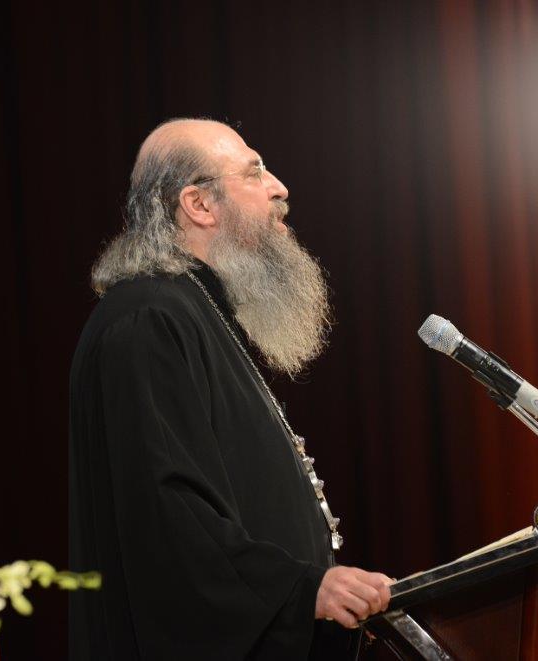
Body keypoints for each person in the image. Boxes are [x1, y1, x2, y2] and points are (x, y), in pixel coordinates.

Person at [69, 118, 391, 660]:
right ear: (199, 204)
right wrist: (300, 591)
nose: (279, 188)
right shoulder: (148, 320)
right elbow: (164, 516)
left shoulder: (198, 311)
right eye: (254, 172)